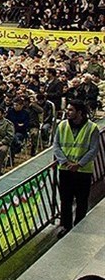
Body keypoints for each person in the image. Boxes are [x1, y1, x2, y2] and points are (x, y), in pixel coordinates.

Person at [53, 99, 99, 236]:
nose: (67, 112)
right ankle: (65, 226)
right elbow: (56, 145)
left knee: (81, 200)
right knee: (65, 200)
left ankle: (79, 226)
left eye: (71, 110)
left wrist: (79, 164)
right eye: (67, 109)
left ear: (80, 112)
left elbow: (93, 149)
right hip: (65, 170)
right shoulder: (62, 126)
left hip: (83, 171)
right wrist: (65, 162)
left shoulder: (92, 128)